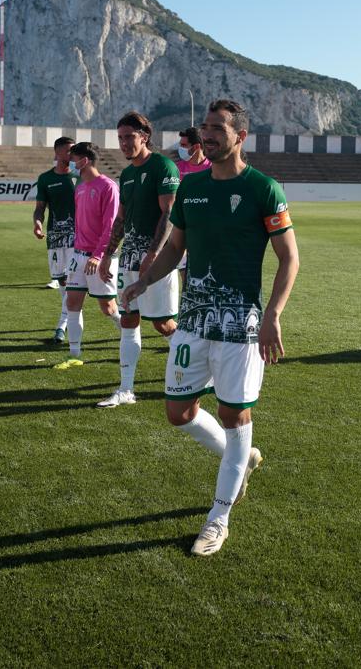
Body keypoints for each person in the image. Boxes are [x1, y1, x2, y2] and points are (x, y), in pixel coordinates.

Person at [122, 99, 299, 555]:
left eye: (218, 127)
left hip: (241, 326)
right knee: (178, 412)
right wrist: (144, 281)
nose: (208, 134)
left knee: (233, 415)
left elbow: (289, 258)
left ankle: (219, 516)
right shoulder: (192, 189)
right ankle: (240, 461)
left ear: (240, 136)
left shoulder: (264, 189)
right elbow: (174, 248)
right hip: (193, 323)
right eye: (205, 127)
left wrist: (273, 316)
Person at [97, 111, 180, 408]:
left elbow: (168, 213)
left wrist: (153, 254)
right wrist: (109, 254)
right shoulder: (128, 174)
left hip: (157, 259)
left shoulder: (163, 166)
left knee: (163, 324)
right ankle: (126, 389)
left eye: (129, 137)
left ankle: (198, 372)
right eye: (120, 138)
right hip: (129, 258)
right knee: (129, 320)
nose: (123, 143)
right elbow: (121, 218)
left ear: (144, 136)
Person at [64, 142, 121, 358]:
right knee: (72, 301)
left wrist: (98, 255)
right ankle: (74, 355)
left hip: (99, 258)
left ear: (84, 161)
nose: (70, 164)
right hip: (78, 256)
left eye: (73, 159)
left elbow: (112, 226)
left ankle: (129, 333)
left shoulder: (108, 187)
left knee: (107, 308)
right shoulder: (79, 188)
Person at [33, 137, 75, 343]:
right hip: (56, 239)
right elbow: (40, 208)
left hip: (79, 240)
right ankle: (67, 318)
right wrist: (38, 223)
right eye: (68, 151)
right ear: (57, 153)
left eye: (74, 151)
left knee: (75, 284)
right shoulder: (46, 179)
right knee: (63, 281)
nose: (72, 154)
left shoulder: (80, 177)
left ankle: (63, 323)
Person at [175, 126, 211, 285]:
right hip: (182, 232)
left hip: (205, 235)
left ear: (196, 147)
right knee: (185, 281)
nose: (180, 149)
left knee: (203, 281)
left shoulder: (212, 169)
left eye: (184, 146)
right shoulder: (177, 168)